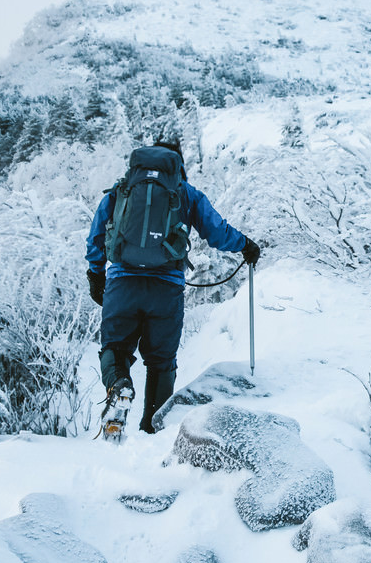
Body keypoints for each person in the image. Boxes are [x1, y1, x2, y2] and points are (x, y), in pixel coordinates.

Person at [86, 138, 261, 436]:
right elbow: (217, 231)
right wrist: (246, 245)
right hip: (165, 290)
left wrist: (95, 274)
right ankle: (154, 431)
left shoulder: (122, 190)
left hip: (122, 285)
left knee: (115, 348)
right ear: (178, 165)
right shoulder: (185, 193)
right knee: (161, 362)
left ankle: (118, 386)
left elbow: (97, 234)